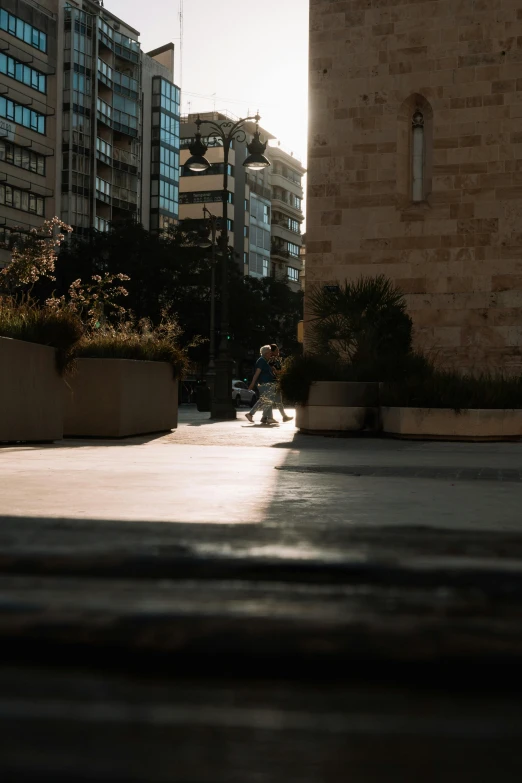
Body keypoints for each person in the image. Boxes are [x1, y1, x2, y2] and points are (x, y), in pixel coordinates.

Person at [245, 345, 277, 425]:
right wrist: (252, 383)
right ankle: (267, 417)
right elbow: (257, 373)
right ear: (266, 353)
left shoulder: (265, 361)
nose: (271, 354)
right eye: (270, 352)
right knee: (265, 400)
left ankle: (265, 417)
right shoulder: (261, 361)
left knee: (265, 400)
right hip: (264, 384)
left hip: (266, 383)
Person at [269, 344, 293, 422]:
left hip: (277, 381)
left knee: (278, 400)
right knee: (271, 400)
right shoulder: (271, 360)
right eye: (276, 350)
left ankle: (283, 416)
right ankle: (268, 417)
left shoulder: (276, 359)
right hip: (273, 382)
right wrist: (279, 372)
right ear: (272, 352)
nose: (278, 351)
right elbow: (273, 370)